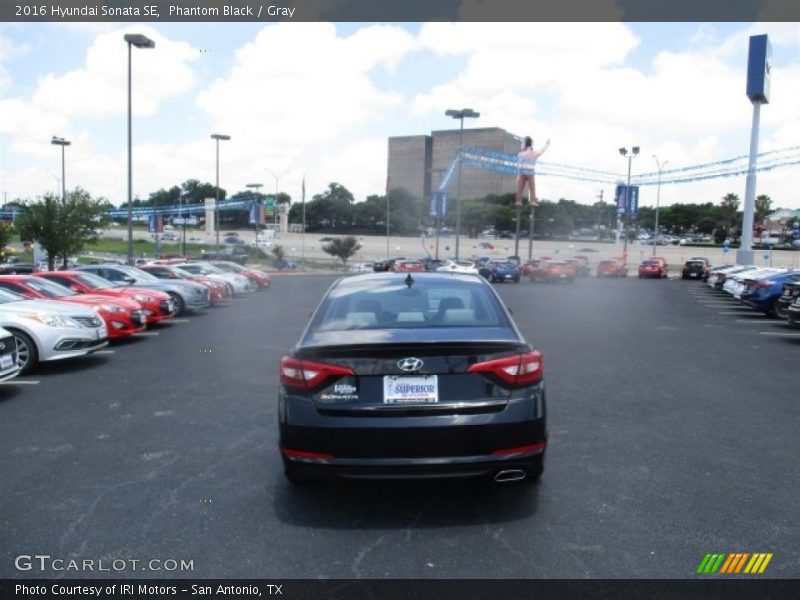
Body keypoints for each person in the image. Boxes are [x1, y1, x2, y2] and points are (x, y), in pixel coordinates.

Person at [516, 136, 550, 206]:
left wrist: (518, 176)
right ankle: (532, 201)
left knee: (520, 189)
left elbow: (519, 166)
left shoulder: (520, 154)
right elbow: (542, 150)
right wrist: (547, 144)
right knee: (532, 188)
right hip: (530, 173)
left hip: (522, 172)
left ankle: (518, 201)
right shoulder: (534, 153)